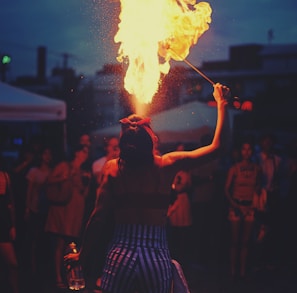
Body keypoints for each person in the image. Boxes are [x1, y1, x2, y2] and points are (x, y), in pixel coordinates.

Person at [67, 83, 229, 293]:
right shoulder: (167, 165)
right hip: (155, 258)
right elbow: (218, 147)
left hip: (120, 257)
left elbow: (98, 217)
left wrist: (82, 254)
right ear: (152, 140)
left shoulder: (113, 169)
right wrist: (222, 103)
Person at [45, 144, 91, 289]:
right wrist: (65, 177)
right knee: (59, 244)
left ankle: (67, 277)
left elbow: (84, 194)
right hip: (62, 211)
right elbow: (48, 180)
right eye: (84, 151)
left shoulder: (83, 171)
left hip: (74, 213)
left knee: (68, 245)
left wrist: (87, 182)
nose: (86, 154)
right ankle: (58, 277)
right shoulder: (64, 166)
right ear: (76, 153)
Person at [224, 140, 262, 279]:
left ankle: (242, 271)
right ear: (241, 151)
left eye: (249, 149)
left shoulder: (257, 169)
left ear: (252, 151)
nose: (247, 152)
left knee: (245, 242)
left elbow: (258, 185)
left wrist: (256, 197)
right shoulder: (234, 168)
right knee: (235, 241)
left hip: (250, 207)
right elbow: (227, 189)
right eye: (244, 149)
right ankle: (233, 271)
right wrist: (234, 204)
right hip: (236, 206)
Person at [24, 146, 54, 288]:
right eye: (46, 154)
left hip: (47, 209)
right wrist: (28, 207)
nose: (48, 157)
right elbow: (29, 190)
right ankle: (33, 270)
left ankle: (44, 270)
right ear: (41, 156)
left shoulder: (52, 171)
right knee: (34, 240)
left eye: (50, 154)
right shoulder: (34, 172)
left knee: (45, 240)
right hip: (36, 208)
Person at [0, 154, 20, 293]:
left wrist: (12, 225)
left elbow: (10, 202)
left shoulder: (5, 175)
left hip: (4, 222)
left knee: (12, 264)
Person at [167, 169, 193, 268]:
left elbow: (183, 187)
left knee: (183, 231)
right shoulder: (172, 171)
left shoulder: (186, 174)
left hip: (182, 202)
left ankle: (183, 260)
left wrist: (174, 187)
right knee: (174, 232)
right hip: (174, 203)